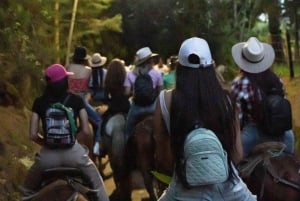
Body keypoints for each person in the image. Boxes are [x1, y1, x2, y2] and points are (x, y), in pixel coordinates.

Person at [154, 37, 257, 200]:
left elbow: (163, 158)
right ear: (211, 66)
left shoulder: (164, 101)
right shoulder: (227, 100)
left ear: (179, 68)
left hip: (183, 191)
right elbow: (237, 155)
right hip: (230, 191)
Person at [22, 64, 109, 201]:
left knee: (27, 191)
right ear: (65, 81)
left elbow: (32, 135)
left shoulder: (39, 102)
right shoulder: (76, 100)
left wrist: (47, 142)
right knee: (97, 183)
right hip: (74, 154)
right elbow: (86, 131)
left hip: (47, 158)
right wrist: (72, 140)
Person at [230, 36, 295, 157]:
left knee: (234, 159)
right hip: (284, 134)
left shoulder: (239, 84)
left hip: (254, 132)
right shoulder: (276, 79)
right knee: (292, 158)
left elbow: (238, 118)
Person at [67, 46, 103, 156]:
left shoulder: (67, 68)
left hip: (67, 100)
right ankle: (97, 144)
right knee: (98, 121)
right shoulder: (88, 70)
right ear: (84, 58)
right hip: (81, 102)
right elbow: (89, 89)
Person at [123, 47, 163, 140]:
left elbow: (127, 92)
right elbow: (160, 92)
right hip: (153, 106)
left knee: (128, 129)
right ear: (151, 60)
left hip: (137, 107)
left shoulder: (130, 74)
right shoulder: (157, 73)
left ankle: (126, 149)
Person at [102, 58, 130, 123]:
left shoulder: (108, 81)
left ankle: (99, 133)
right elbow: (128, 94)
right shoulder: (126, 78)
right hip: (125, 106)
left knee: (102, 121)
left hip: (113, 107)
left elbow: (106, 97)